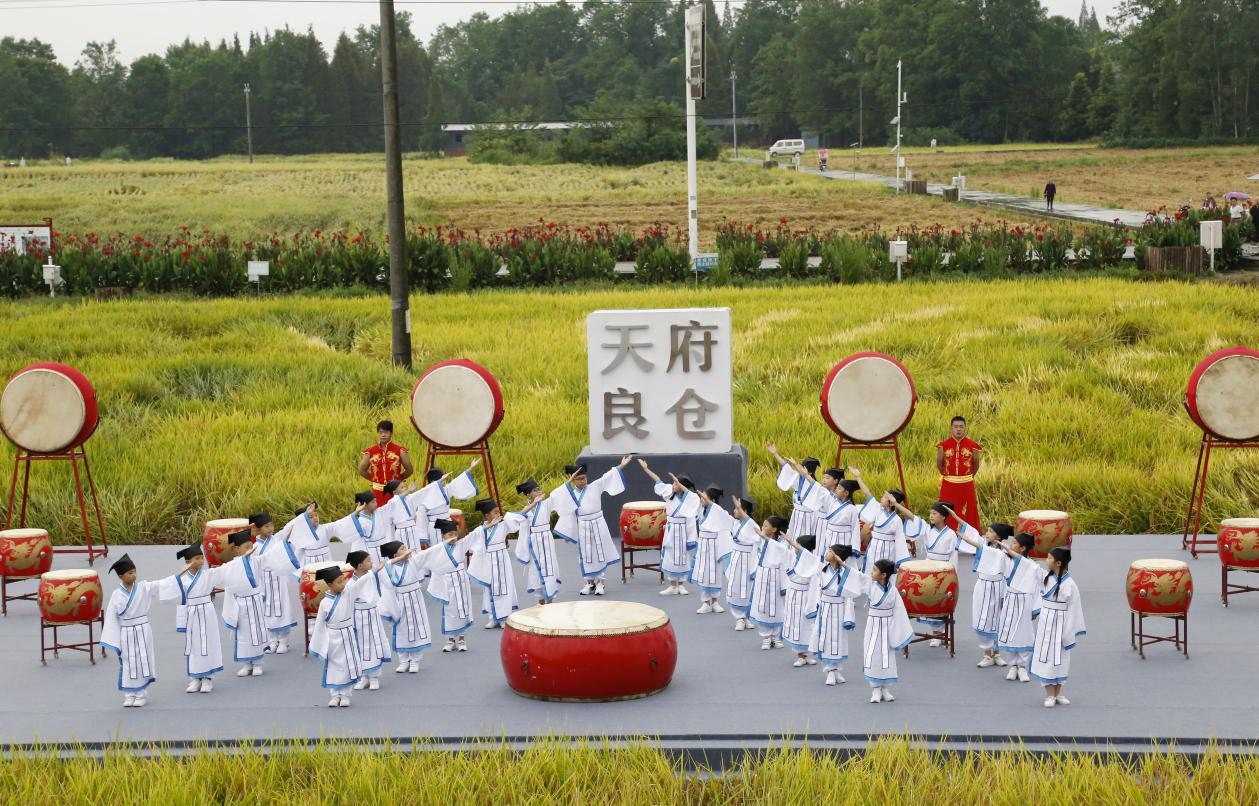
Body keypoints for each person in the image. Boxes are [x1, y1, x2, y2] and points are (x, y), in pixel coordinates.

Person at [102, 554, 181, 707]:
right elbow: (111, 617)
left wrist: (180, 573)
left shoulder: (143, 587)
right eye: (129, 573)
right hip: (126, 631)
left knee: (142, 659)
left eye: (134, 571)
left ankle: (141, 693)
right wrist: (113, 636)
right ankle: (129, 693)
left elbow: (162, 584)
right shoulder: (116, 594)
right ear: (121, 576)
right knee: (127, 660)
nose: (134, 575)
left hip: (142, 629)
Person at [549, 457, 633, 596]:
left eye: (583, 478)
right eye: (578, 479)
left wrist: (621, 465)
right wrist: (568, 533)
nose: (582, 481)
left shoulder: (595, 486)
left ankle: (600, 582)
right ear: (573, 480)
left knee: (599, 552)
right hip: (583, 526)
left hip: (598, 524)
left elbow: (607, 477)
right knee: (586, 554)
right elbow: (565, 509)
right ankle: (589, 582)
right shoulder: (571, 494)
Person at [156, 541, 223, 693]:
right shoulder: (182, 579)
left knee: (208, 643)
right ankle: (195, 677)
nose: (201, 561)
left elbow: (225, 570)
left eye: (202, 557)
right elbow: (172, 594)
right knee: (194, 645)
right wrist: (178, 576)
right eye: (197, 558)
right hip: (192, 614)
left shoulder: (208, 575)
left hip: (206, 612)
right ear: (187, 562)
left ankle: (207, 678)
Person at [952, 516, 1014, 669]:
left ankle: (997, 653)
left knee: (998, 618)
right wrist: (955, 517)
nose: (987, 533)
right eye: (988, 530)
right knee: (983, 618)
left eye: (991, 531)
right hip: (983, 586)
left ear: (998, 536)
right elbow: (971, 533)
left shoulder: (1005, 550)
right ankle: (987, 654)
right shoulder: (984, 544)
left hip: (999, 586)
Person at [792, 542, 857, 686]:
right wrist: (814, 606)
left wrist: (848, 616)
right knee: (827, 639)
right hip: (825, 610)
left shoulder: (845, 573)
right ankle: (830, 671)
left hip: (839, 610)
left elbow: (850, 595)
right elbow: (809, 561)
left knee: (838, 639)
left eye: (830, 551)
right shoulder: (822, 569)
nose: (826, 553)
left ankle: (836, 670)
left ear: (837, 556)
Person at [1031, 547, 1085, 707]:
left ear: (1058, 563)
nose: (1046, 561)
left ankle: (1058, 692)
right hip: (1046, 622)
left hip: (1062, 623)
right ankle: (1049, 694)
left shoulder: (1070, 584)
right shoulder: (1045, 577)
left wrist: (1068, 631)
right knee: (1045, 655)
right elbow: (1027, 566)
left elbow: (1074, 608)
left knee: (1061, 657)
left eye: (1049, 558)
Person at [639, 459, 699, 596]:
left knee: (683, 556)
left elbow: (691, 521)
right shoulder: (669, 492)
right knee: (670, 555)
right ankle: (672, 585)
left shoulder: (690, 500)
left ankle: (681, 585)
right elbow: (658, 480)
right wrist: (646, 469)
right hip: (671, 529)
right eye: (673, 482)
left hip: (682, 530)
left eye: (676, 483)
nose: (673, 485)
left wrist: (691, 538)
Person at [308, 565, 363, 707]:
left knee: (347, 664)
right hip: (333, 638)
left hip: (347, 635)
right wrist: (319, 644)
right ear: (330, 584)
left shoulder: (348, 593)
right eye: (339, 582)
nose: (343, 584)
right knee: (333, 665)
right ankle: (335, 694)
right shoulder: (324, 603)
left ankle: (345, 694)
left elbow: (360, 582)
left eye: (343, 580)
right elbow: (319, 625)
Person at [218, 529, 270, 678]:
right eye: (246, 547)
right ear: (237, 549)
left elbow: (271, 557)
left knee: (256, 632)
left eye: (251, 546)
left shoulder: (256, 561)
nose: (250, 549)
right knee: (243, 634)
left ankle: (258, 663)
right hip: (240, 604)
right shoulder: (231, 566)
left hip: (254, 602)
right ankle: (247, 664)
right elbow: (223, 579)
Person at [249, 511, 301, 655]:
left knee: (283, 607)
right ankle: (272, 640)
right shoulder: (254, 547)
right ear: (258, 529)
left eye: (271, 525)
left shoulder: (277, 539)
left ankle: (284, 641)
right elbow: (254, 565)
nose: (270, 529)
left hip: (279, 578)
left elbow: (288, 529)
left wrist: (301, 518)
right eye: (266, 526)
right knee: (267, 610)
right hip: (264, 582)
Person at [377, 540, 433, 673]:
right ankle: (403, 660)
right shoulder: (390, 567)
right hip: (400, 601)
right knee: (401, 628)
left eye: (405, 547)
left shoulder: (413, 561)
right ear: (395, 555)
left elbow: (429, 553)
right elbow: (384, 575)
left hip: (415, 599)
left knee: (417, 626)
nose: (406, 550)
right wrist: (398, 559)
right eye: (402, 549)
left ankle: (415, 660)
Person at [464, 498, 519, 628]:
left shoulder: (503, 525)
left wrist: (507, 517)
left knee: (504, 586)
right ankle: (493, 617)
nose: (498, 514)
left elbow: (517, 521)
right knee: (490, 587)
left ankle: (504, 617)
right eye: (495, 512)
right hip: (488, 561)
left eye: (499, 511)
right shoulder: (481, 530)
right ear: (487, 515)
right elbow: (472, 541)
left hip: (502, 559)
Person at [506, 478, 561, 605]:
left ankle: (550, 600)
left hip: (546, 540)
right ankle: (540, 600)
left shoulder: (546, 504)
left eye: (539, 489)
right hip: (535, 542)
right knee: (536, 570)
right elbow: (513, 518)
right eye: (535, 490)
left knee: (549, 567)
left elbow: (559, 493)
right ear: (528, 495)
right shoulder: (527, 509)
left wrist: (569, 481)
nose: (539, 491)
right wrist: (533, 504)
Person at [996, 533, 1041, 682]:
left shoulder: (1032, 566)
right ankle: (1013, 666)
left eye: (1015, 543)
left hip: (1024, 601)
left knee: (1023, 632)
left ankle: (1022, 666)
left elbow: (1037, 587)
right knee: (1009, 631)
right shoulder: (1007, 560)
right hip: (1010, 599)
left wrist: (1034, 608)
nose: (1011, 545)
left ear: (1023, 548)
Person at [425, 518, 475, 651]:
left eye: (455, 534)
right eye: (449, 534)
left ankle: (462, 638)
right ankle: (450, 639)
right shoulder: (439, 549)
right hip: (447, 582)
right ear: (443, 536)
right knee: (449, 609)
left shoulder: (461, 545)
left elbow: (474, 535)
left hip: (461, 580)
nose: (453, 537)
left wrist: (486, 527)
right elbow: (433, 564)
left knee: (463, 608)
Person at [345, 550, 390, 692]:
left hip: (372, 615)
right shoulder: (351, 583)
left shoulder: (371, 575)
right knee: (360, 645)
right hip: (358, 617)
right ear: (360, 565)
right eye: (368, 561)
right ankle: (363, 677)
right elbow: (348, 603)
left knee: (374, 643)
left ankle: (374, 677)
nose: (372, 563)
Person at [849, 467, 911, 571]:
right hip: (874, 547)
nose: (881, 498)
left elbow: (900, 540)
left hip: (888, 550)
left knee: (884, 573)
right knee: (869, 571)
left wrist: (901, 560)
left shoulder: (897, 520)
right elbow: (867, 493)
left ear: (892, 502)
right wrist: (858, 477)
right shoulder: (878, 509)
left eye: (885, 497)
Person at [747, 515, 793, 650]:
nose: (763, 527)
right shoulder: (761, 540)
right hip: (763, 576)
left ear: (774, 529)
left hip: (777, 577)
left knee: (778, 606)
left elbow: (786, 558)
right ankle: (766, 636)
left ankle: (776, 636)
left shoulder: (781, 544)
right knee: (763, 605)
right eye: (763, 525)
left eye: (766, 525)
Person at [936, 416, 983, 535]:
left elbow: (976, 465)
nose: (958, 429)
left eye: (961, 427)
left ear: (965, 428)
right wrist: (948, 476)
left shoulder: (973, 445)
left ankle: (970, 537)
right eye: (956, 427)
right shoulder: (943, 446)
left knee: (969, 510)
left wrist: (967, 477)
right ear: (951, 428)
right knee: (946, 509)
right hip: (948, 484)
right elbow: (939, 465)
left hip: (967, 484)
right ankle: (946, 535)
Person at [412, 460, 481, 542]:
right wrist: (423, 538)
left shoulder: (446, 489)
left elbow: (457, 482)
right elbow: (421, 517)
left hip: (448, 523)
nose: (444, 482)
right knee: (438, 548)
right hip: (435, 527)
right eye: (442, 480)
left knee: (451, 545)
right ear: (433, 482)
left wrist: (470, 468)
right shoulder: (424, 495)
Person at [779, 534, 821, 667]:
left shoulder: (813, 562)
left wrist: (811, 604)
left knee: (805, 625)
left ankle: (805, 654)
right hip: (793, 594)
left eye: (797, 545)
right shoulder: (793, 557)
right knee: (794, 623)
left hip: (804, 597)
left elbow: (814, 586)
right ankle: (800, 655)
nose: (794, 547)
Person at [691, 485, 734, 614]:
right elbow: (688, 497)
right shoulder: (700, 509)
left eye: (704, 497)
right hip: (703, 545)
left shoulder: (718, 511)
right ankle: (705, 602)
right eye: (701, 497)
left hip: (715, 546)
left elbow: (727, 521)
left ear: (712, 500)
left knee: (715, 572)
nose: (701, 499)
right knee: (703, 573)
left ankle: (715, 601)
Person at [767, 444, 823, 538]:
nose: (799, 469)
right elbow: (786, 467)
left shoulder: (814, 485)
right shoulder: (798, 478)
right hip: (796, 513)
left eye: (802, 468)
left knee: (805, 538)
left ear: (809, 473)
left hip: (808, 516)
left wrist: (795, 464)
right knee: (792, 536)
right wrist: (775, 454)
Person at [725, 496, 761, 631]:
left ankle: (747, 617)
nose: (734, 511)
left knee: (748, 588)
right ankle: (739, 618)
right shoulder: (734, 523)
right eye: (735, 508)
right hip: (736, 559)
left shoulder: (753, 525)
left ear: (744, 511)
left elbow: (757, 540)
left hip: (748, 560)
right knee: (735, 588)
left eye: (737, 508)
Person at [359, 420, 413, 507]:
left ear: (391, 433)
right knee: (379, 514)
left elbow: (409, 470)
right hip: (377, 494)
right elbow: (362, 470)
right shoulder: (370, 451)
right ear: (378, 434)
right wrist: (374, 479)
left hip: (395, 492)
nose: (383, 435)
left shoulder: (400, 450)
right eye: (381, 432)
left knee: (397, 513)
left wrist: (398, 480)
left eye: (386, 432)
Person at [325, 492, 388, 562]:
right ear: (365, 505)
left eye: (376, 501)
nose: (376, 504)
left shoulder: (380, 512)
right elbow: (353, 536)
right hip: (370, 551)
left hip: (385, 548)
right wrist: (356, 512)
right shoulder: (358, 521)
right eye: (373, 502)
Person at [377, 479, 429, 551]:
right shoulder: (391, 502)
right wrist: (408, 491)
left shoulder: (409, 498)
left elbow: (421, 493)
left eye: (404, 486)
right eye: (402, 487)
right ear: (394, 492)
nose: (405, 488)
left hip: (413, 529)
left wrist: (436, 483)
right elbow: (397, 501)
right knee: (406, 552)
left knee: (417, 551)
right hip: (402, 532)